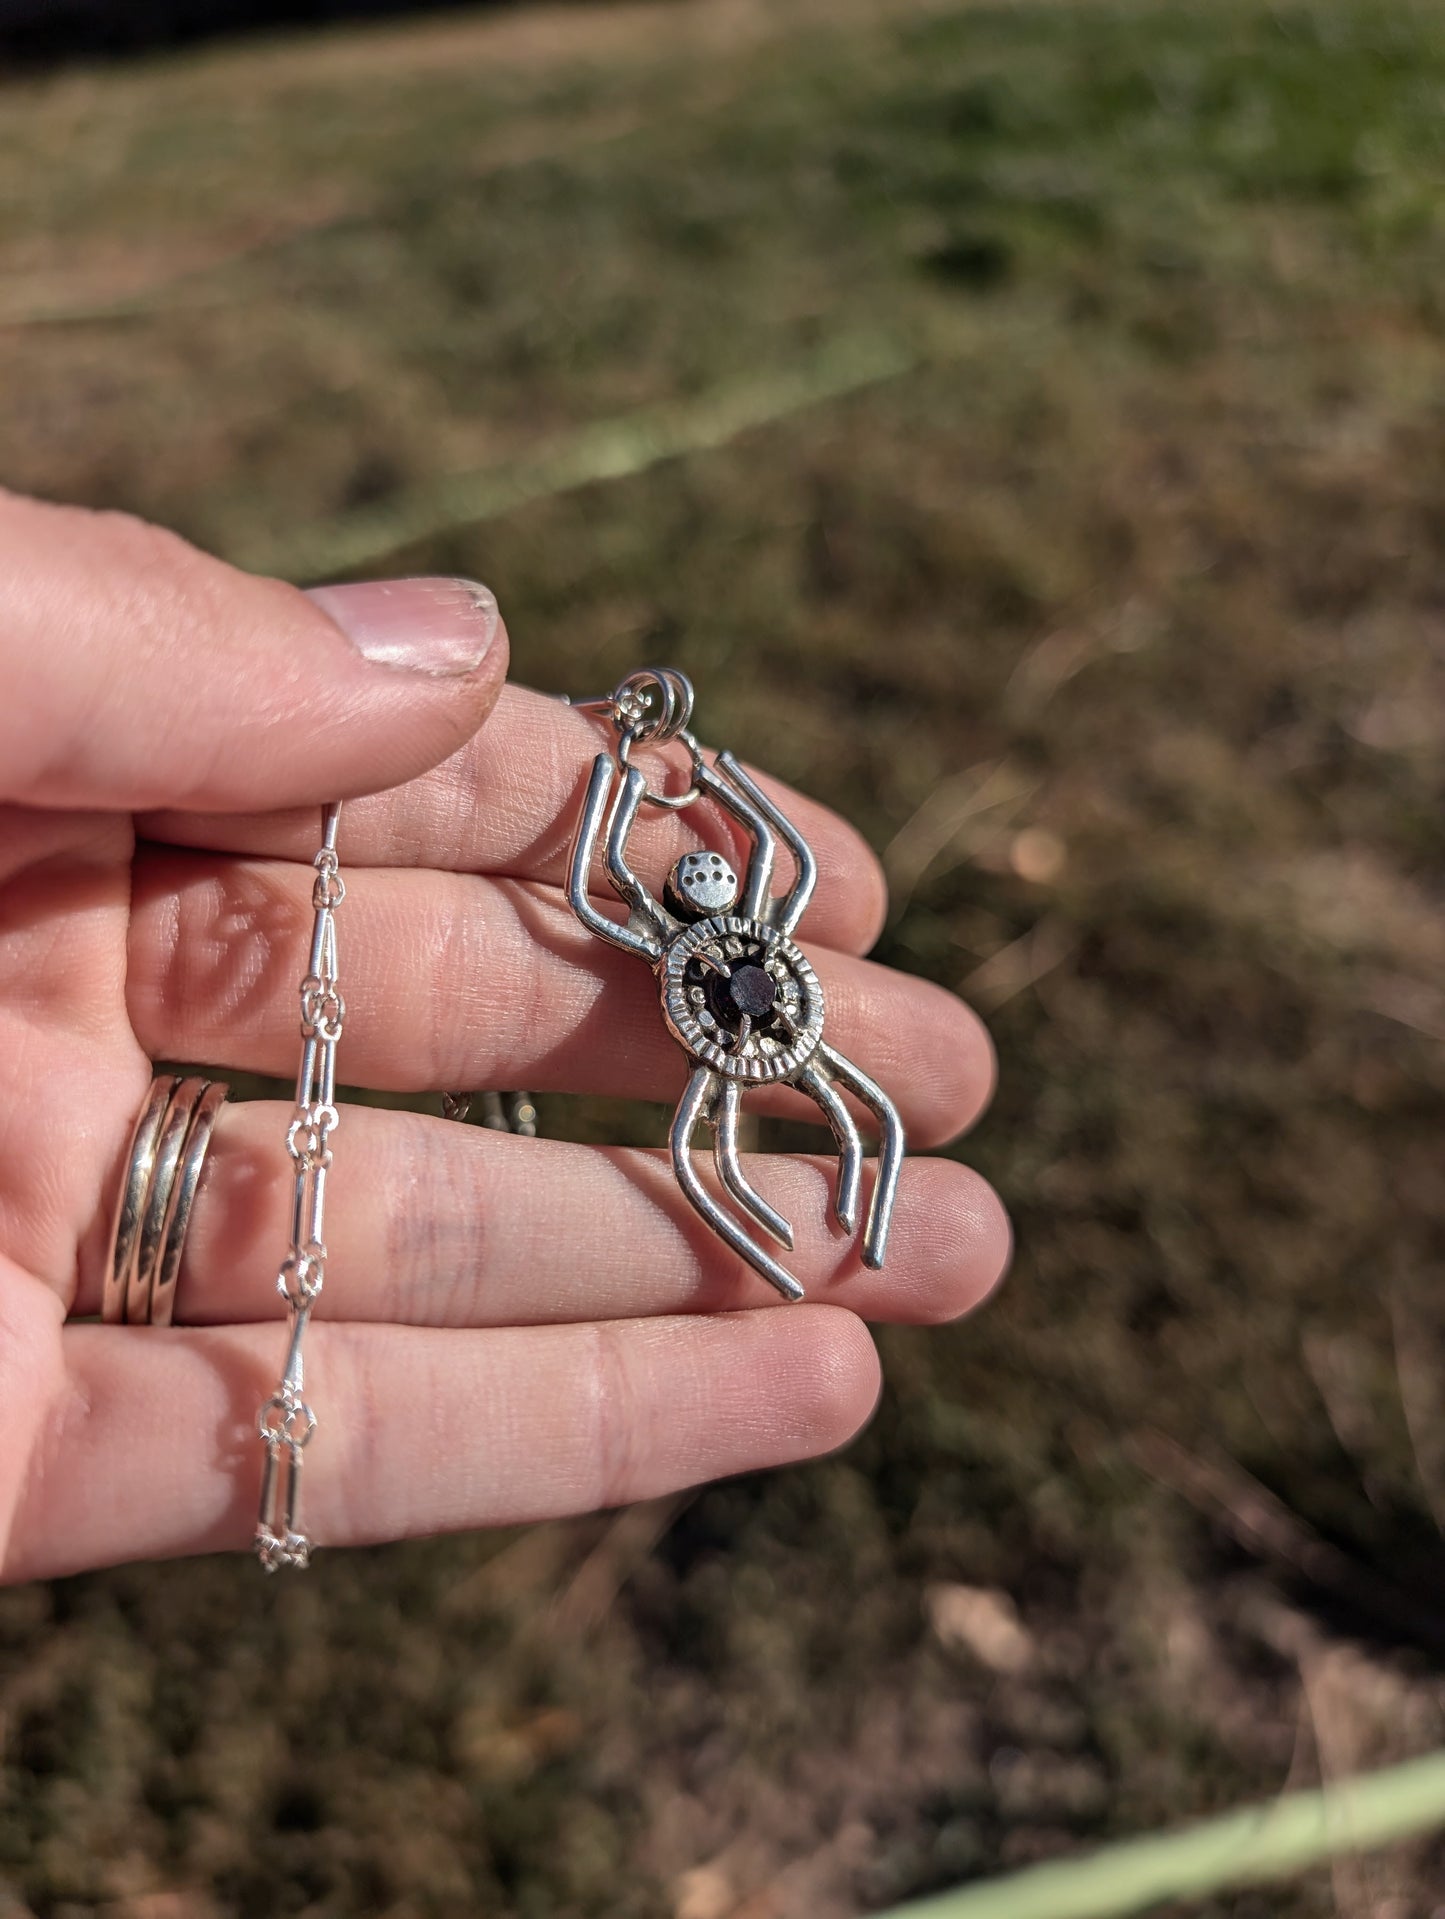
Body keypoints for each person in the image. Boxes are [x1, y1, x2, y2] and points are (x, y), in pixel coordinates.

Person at [0, 486, 1010, 1581]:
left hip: (765, 993)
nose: (717, 873)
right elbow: (595, 887)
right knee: (703, 1146)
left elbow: (788, 867)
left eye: (722, 865)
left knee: (856, 1104)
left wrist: (714, 779)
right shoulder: (647, 915)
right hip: (722, 1012)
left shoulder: (757, 889)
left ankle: (851, 1214)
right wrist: (625, 787)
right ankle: (772, 1243)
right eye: (703, 872)